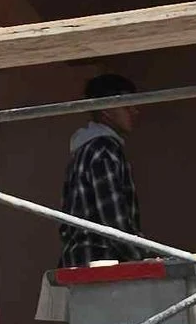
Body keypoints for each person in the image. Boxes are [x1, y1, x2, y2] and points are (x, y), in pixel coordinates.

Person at [59, 73, 143, 265]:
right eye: (127, 105)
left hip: (82, 263)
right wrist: (143, 258)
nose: (135, 111)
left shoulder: (87, 149)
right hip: (100, 265)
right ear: (106, 109)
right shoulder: (103, 150)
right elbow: (114, 223)